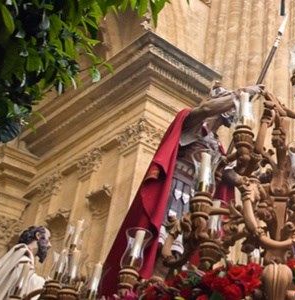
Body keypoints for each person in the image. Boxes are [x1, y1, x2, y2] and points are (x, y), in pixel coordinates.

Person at [100, 82, 263, 295]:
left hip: (198, 200)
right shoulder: (191, 122)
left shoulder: (217, 145)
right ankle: (150, 290)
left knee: (186, 252)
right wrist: (241, 95)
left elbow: (224, 172)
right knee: (162, 246)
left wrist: (246, 182)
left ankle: (168, 290)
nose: (231, 109)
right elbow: (205, 110)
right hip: (176, 190)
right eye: (226, 103)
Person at [0, 226, 50, 299]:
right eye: (48, 239)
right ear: (38, 235)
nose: (49, 245)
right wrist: (46, 284)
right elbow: (19, 281)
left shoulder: (19, 255)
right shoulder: (22, 256)